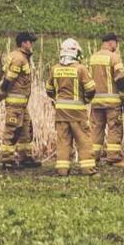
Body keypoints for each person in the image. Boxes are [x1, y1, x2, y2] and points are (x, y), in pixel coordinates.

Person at [45, 38, 98, 175]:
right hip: (78, 113)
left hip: (60, 112)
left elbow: (49, 90)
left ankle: (62, 170)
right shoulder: (80, 69)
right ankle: (88, 169)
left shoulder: (54, 69)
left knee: (63, 142)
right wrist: (86, 100)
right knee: (83, 141)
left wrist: (58, 99)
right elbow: (91, 89)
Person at [0, 32, 41, 167]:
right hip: (15, 103)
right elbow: (9, 78)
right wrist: (1, 93)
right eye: (29, 42)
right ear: (23, 43)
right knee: (12, 130)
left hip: (22, 104)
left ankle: (25, 157)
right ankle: (7, 159)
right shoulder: (18, 59)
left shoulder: (21, 57)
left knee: (25, 129)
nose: (31, 45)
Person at [88, 32, 124, 166]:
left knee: (96, 129)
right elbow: (120, 79)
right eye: (116, 44)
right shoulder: (114, 57)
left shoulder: (92, 58)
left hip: (95, 101)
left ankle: (93, 156)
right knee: (114, 128)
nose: (116, 46)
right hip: (112, 102)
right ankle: (114, 157)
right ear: (111, 43)